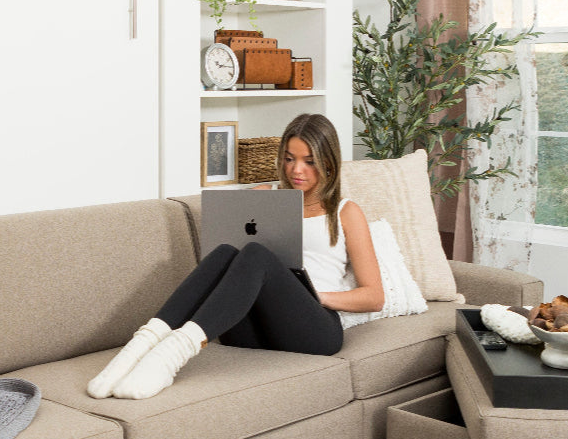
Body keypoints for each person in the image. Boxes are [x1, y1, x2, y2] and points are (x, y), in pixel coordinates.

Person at [87, 113, 384, 400]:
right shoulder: (264, 196)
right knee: (227, 251)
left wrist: (317, 296)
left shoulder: (345, 212)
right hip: (251, 332)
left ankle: (172, 354)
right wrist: (256, 201)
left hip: (314, 331)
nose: (297, 170)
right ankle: (141, 345)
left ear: (329, 163)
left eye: (309, 162)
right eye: (290, 158)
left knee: (256, 254)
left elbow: (374, 296)